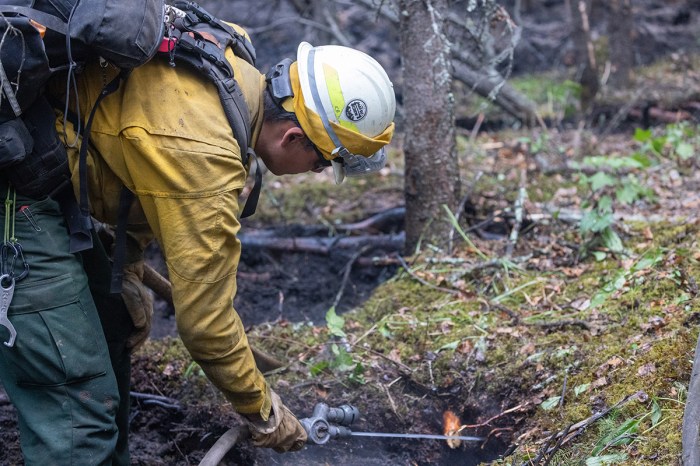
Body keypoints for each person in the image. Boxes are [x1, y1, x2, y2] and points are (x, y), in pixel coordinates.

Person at [0, 15, 396, 466]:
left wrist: (125, 265)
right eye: (323, 163)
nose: (318, 173)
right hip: (18, 197)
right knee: (78, 412)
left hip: (46, 172)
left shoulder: (230, 55)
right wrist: (264, 412)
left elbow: (140, 161)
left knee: (113, 324)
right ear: (292, 137)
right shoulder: (205, 158)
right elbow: (206, 326)